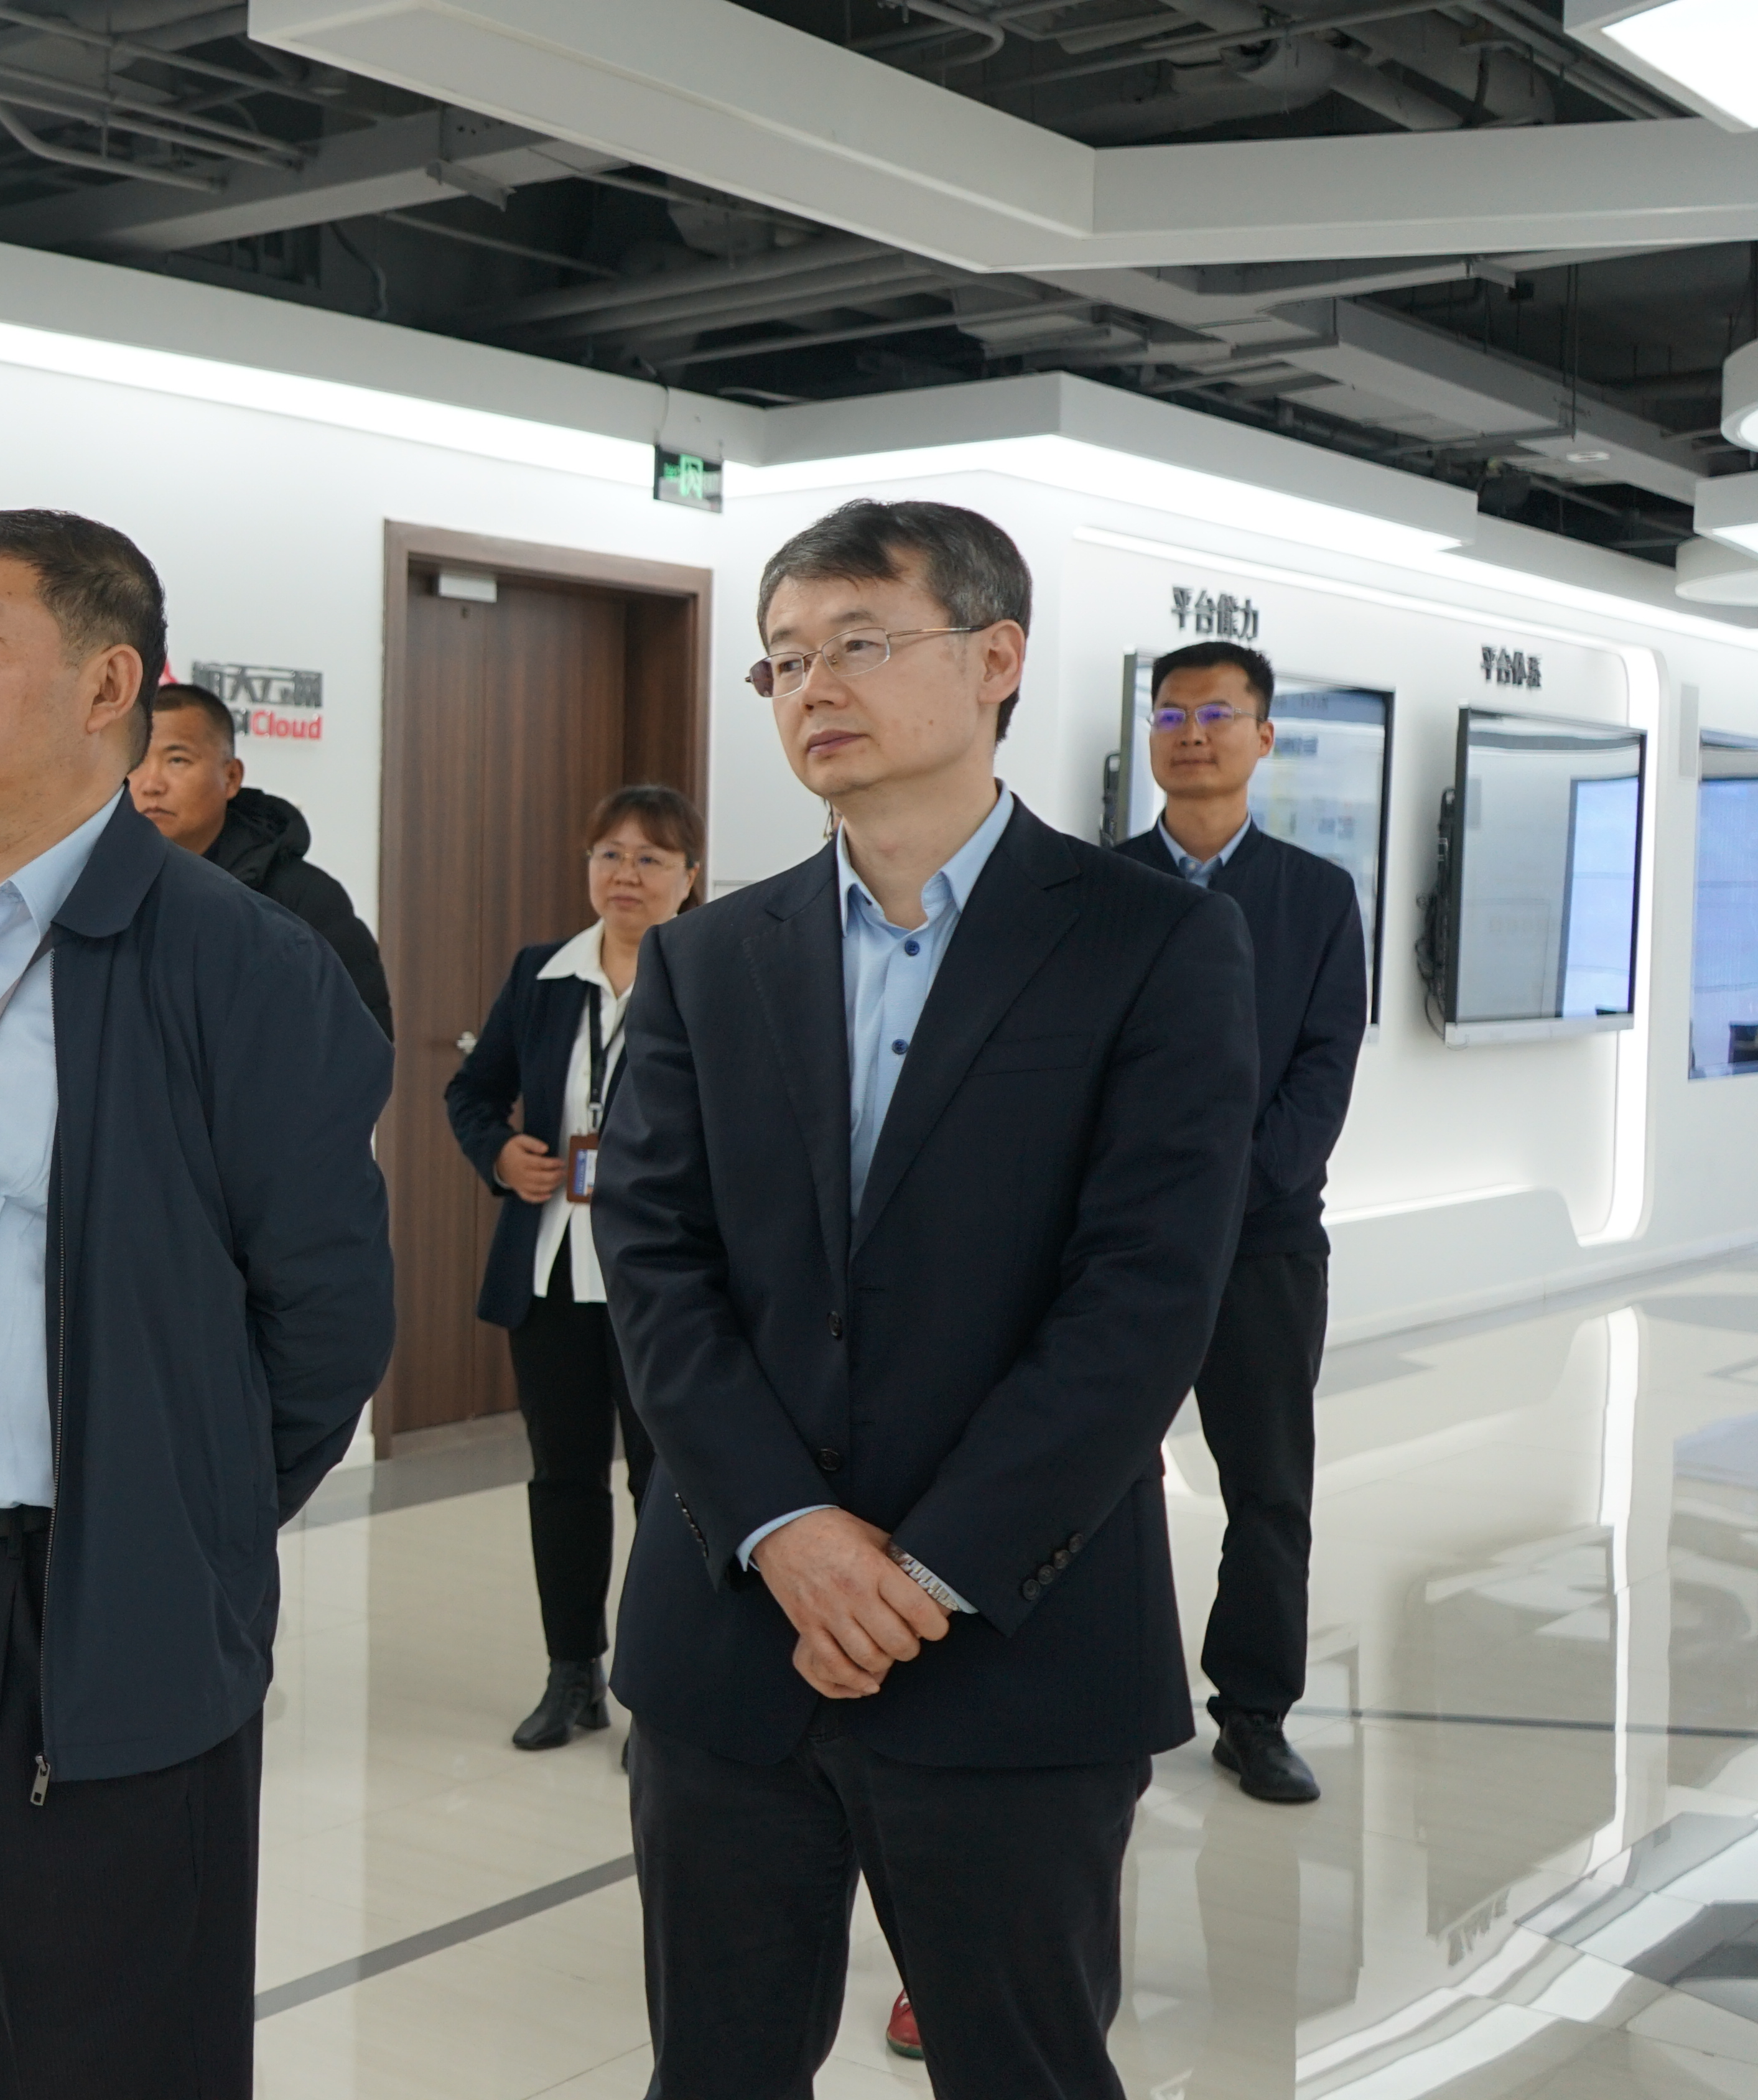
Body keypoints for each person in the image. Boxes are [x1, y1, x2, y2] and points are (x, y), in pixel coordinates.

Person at [592, 498, 1255, 2099]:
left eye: (859, 643)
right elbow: (656, 1260)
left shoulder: (1154, 944)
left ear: (995, 658)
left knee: (1023, 2068)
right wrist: (786, 1531)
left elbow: (1142, 1298)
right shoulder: (708, 958)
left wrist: (925, 1569)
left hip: (1015, 1639)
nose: (812, 684)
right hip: (733, 1634)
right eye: (783, 659)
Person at [0, 509, 392, 2099]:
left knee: (106, 2053)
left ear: (111, 685)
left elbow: (326, 1319)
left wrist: (177, 1521)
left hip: (88, 1609)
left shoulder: (239, 962)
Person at [1119, 639, 1365, 1807]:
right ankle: (1103, 1696)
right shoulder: (1100, 886)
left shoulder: (1316, 896)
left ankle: (1254, 1713)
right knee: (1093, 1477)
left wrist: (1228, 1193)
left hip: (1263, 1244)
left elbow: (1323, 1071)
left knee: (1268, 1489)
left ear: (1264, 738)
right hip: (1116, 1245)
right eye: (1171, 715)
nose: (1193, 735)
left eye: (1217, 715)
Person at [443, 783, 701, 1752]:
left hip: (664, 1282)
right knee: (563, 1479)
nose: (626, 875)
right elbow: (473, 1093)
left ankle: (657, 1688)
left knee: (666, 1491)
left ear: (690, 877)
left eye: (650, 858)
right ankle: (572, 1674)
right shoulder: (542, 976)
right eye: (609, 855)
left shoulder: (711, 975)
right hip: (552, 1271)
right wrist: (500, 1156)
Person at [124, 680, 394, 1036]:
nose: (151, 784)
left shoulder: (303, 901)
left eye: (177, 760)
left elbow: (360, 1044)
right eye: (136, 762)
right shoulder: (97, 886)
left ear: (231, 777)